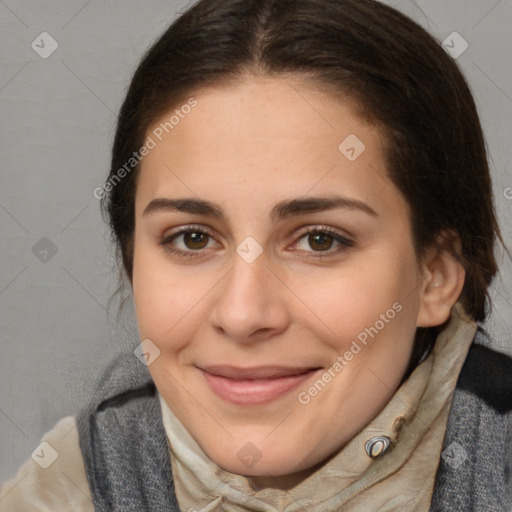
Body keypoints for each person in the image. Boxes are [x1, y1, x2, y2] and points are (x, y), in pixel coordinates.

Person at [1, 0, 511, 510]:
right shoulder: (69, 484)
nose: (243, 315)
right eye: (192, 238)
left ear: (436, 276)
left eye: (319, 240)